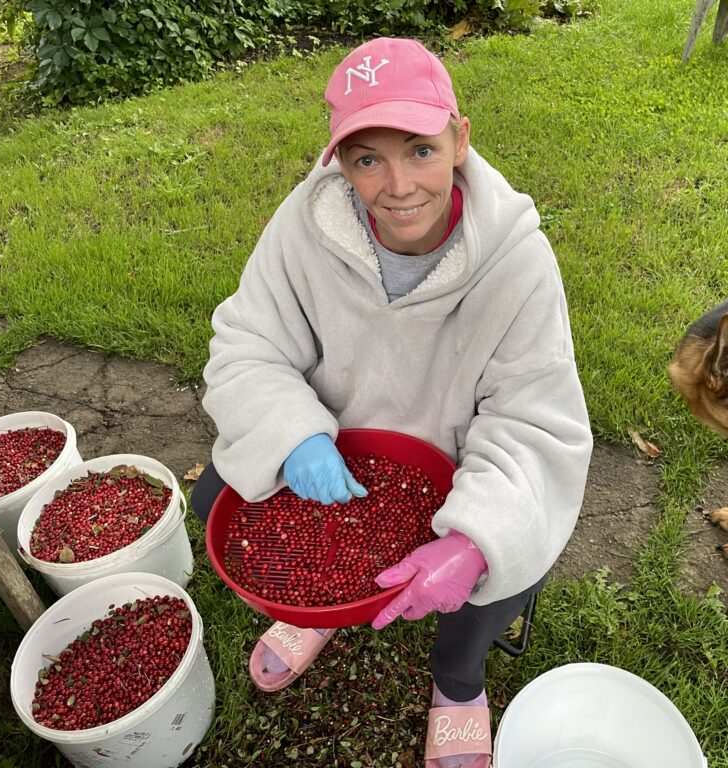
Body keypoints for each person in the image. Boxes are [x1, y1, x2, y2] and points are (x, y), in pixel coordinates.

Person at [193, 36, 593, 768]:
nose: (398, 185)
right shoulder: (305, 228)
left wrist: (476, 536)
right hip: (336, 453)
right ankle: (316, 611)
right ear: (337, 162)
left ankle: (460, 680)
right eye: (367, 158)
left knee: (508, 554)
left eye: (419, 150)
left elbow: (536, 420)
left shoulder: (518, 261)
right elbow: (248, 341)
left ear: (460, 138)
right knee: (219, 492)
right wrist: (292, 435)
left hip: (454, 461)